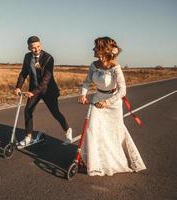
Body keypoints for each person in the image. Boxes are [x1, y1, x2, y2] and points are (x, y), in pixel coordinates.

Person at [78, 36, 146, 176]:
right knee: (92, 129)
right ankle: (93, 163)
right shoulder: (93, 65)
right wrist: (83, 94)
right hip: (97, 99)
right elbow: (86, 82)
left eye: (96, 47)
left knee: (113, 132)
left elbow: (122, 91)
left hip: (113, 102)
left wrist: (107, 102)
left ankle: (114, 160)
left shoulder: (115, 66)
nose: (93, 49)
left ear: (104, 50)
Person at [14, 36, 72, 146]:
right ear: (28, 48)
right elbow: (23, 73)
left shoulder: (49, 58)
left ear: (41, 45)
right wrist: (18, 87)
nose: (36, 49)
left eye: (38, 46)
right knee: (28, 110)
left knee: (55, 112)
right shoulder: (27, 57)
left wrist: (33, 92)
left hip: (48, 90)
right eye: (33, 47)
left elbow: (46, 80)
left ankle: (68, 130)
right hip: (34, 88)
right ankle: (28, 137)